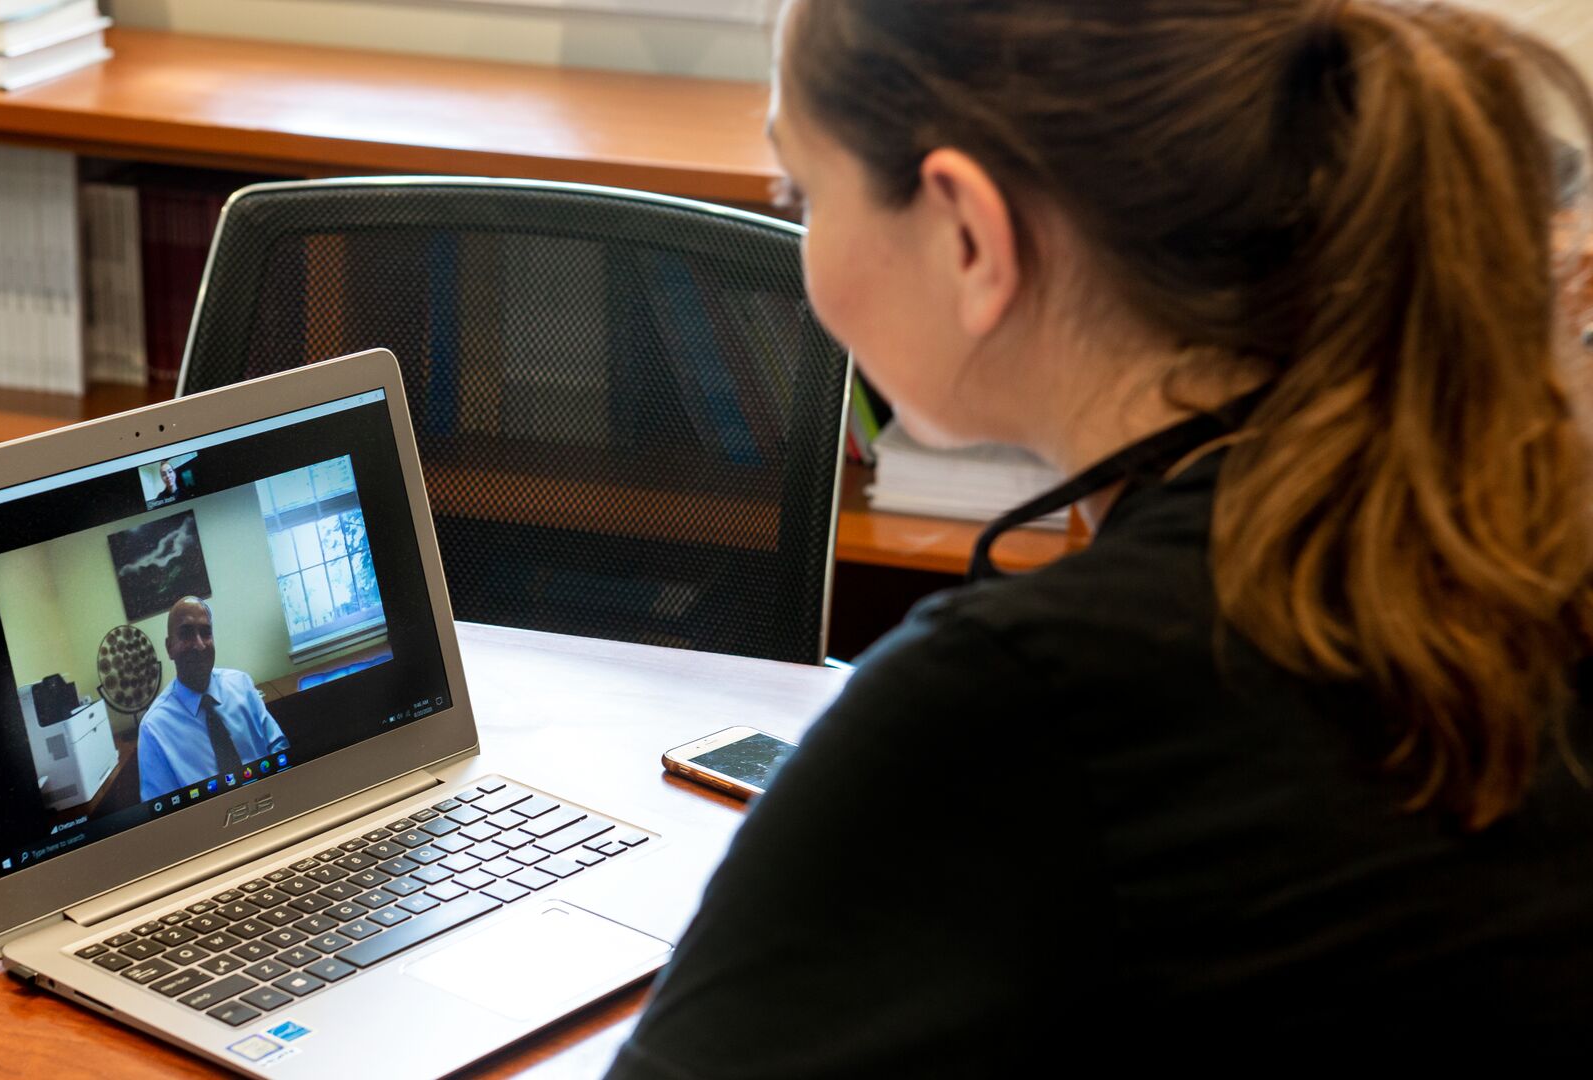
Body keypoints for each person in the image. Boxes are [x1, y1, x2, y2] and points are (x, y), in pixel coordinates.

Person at [607, 0, 1593, 1073]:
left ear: (969, 234)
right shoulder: (1521, 543)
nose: (798, 232)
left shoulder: (1023, 698)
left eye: (803, 190)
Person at [137, 596, 287, 800]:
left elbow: (278, 745)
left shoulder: (241, 685)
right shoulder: (154, 729)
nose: (199, 645)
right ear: (169, 647)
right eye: (186, 634)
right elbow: (162, 813)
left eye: (206, 633)